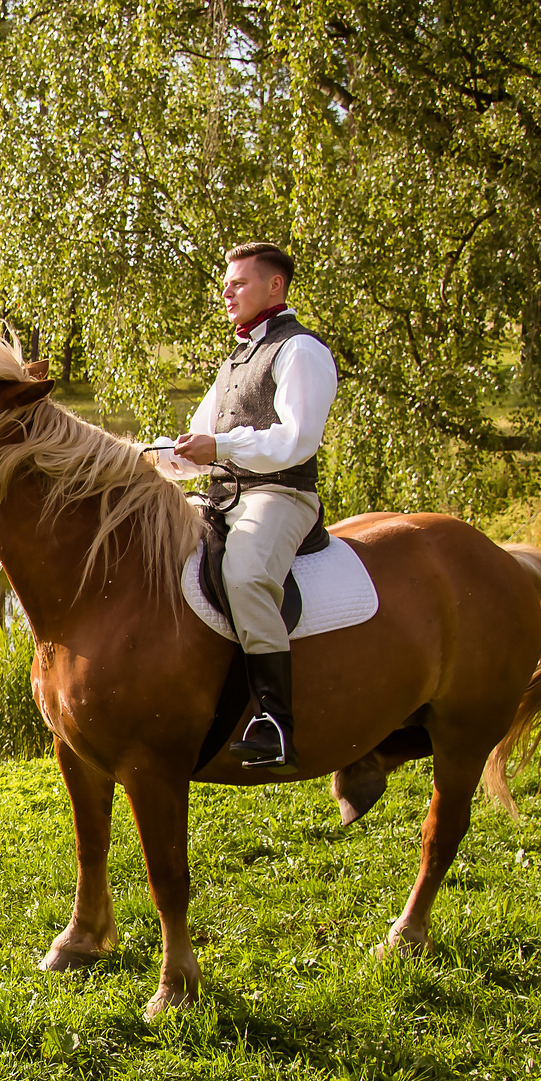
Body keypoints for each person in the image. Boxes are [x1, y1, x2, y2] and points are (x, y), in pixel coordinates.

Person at [170, 241, 337, 768]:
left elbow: (296, 440)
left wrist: (218, 448)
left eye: (238, 282)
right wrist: (149, 460)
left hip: (281, 494)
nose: (227, 291)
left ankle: (274, 723)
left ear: (275, 286)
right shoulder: (234, 363)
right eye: (227, 283)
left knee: (244, 576)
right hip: (222, 496)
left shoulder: (301, 351)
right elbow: (197, 446)